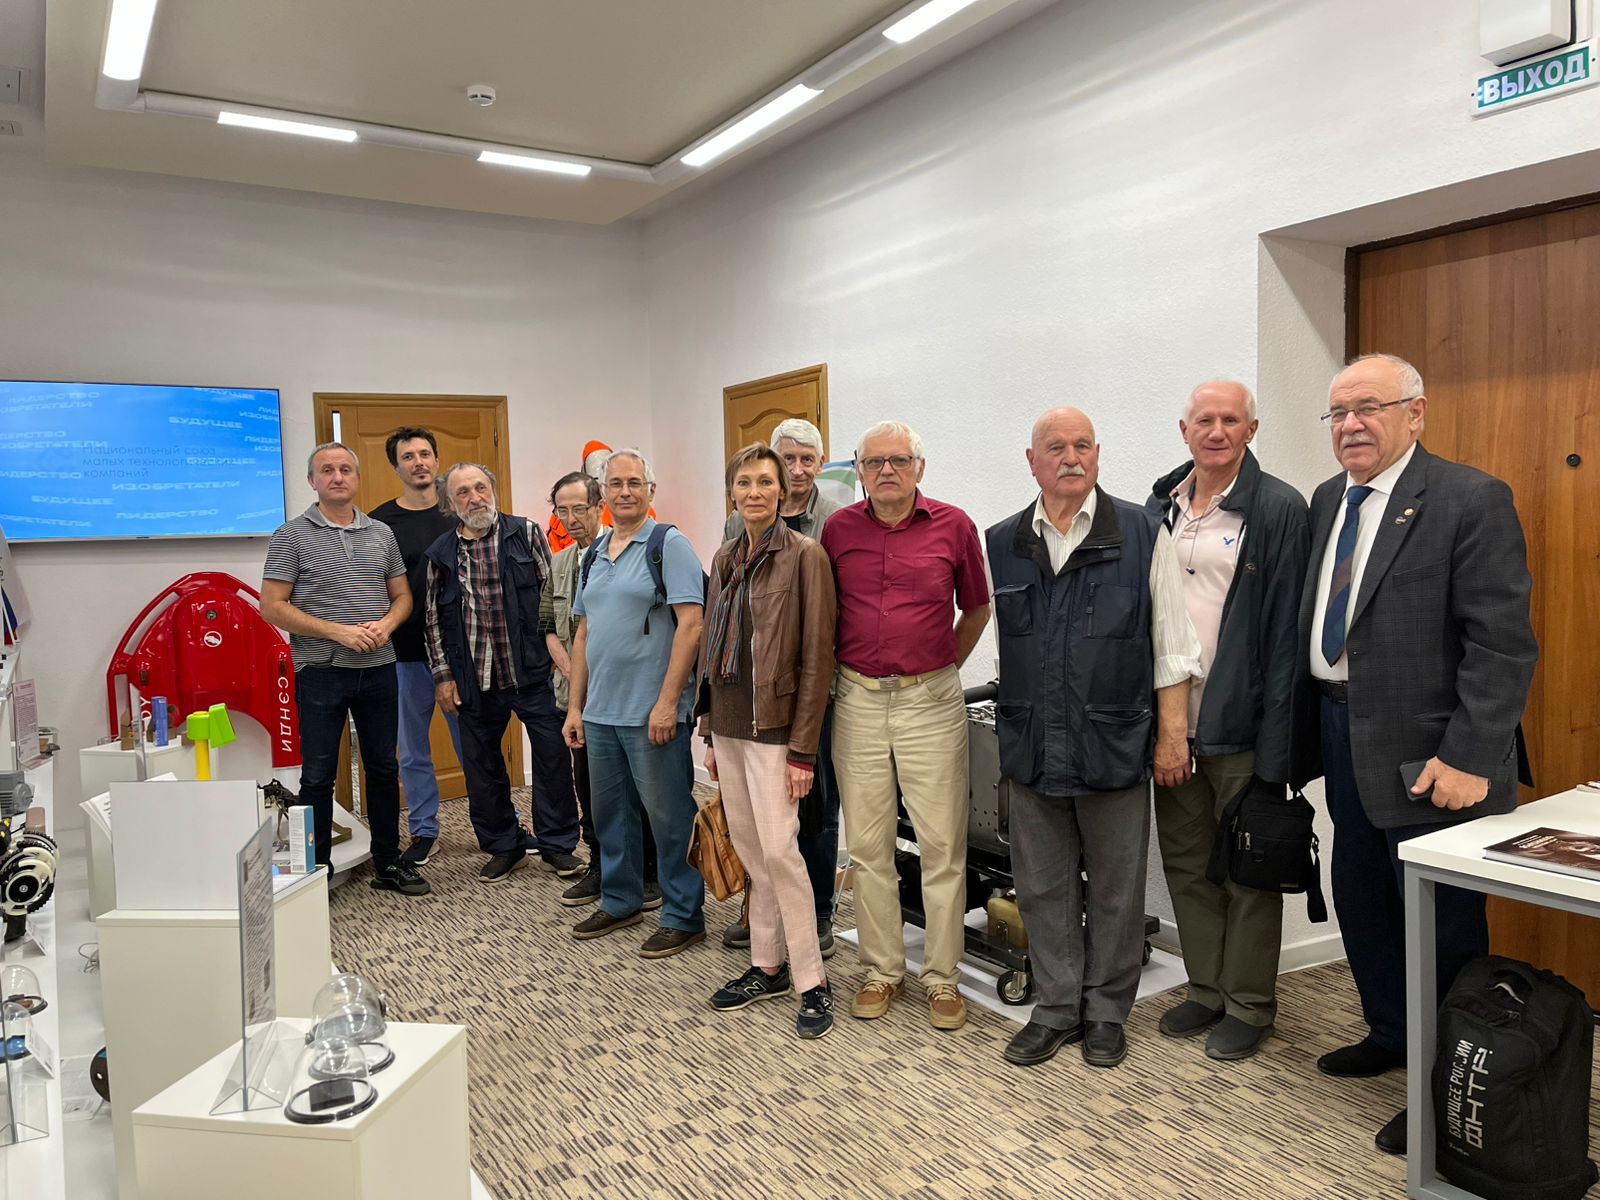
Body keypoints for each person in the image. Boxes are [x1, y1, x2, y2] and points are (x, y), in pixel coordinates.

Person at [1298, 353, 1536, 1155]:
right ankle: (1393, 1034)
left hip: (1435, 755)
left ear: (1416, 412)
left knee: (1441, 925)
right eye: (1338, 413)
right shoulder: (1329, 499)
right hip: (1343, 733)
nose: (1351, 425)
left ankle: (1447, 1087)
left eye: (1368, 407)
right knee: (1364, 897)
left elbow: (1501, 645)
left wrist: (1470, 755)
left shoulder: (1470, 498)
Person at [986, 407, 1203, 1070]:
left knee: (1115, 888)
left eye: (1082, 445)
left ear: (1098, 455)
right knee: (1042, 885)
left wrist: (1173, 737)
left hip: (1114, 742)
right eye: (1056, 447)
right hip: (1033, 744)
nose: (1070, 457)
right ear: (1032, 462)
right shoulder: (1003, 541)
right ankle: (1055, 1007)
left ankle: (1107, 1010)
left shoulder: (1141, 532)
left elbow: (1173, 646)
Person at [1145, 382, 1310, 1061]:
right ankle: (1206, 988)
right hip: (1171, 722)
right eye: (1204, 420)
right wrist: (1161, 726)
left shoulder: (1278, 509)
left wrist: (1278, 745)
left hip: (1242, 722)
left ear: (1251, 430)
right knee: (1187, 864)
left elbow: (1287, 637)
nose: (1217, 431)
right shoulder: (1161, 504)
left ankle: (1248, 1003)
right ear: (1184, 429)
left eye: (1231, 420)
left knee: (1248, 868)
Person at [821, 421, 990, 1031]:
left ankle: (942, 978)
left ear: (920, 466)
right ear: (860, 471)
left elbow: (977, 608)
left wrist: (939, 668)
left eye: (898, 460)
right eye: (874, 462)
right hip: (858, 701)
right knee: (869, 848)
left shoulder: (955, 525)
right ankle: (881, 970)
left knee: (942, 846)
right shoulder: (838, 530)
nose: (886, 470)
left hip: (930, 702)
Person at [699, 444, 838, 1038]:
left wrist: (803, 750)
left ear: (783, 491)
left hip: (778, 729)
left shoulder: (806, 555)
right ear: (732, 492)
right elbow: (712, 647)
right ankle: (767, 965)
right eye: (744, 482)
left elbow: (818, 658)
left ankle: (812, 979)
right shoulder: (726, 555)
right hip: (731, 725)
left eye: (764, 482)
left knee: (781, 852)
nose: (754, 492)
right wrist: (709, 727)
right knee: (753, 852)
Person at [261, 442, 428, 895]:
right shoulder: (290, 536)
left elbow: (402, 596)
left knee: (383, 769)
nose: (337, 477)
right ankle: (315, 871)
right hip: (320, 671)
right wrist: (338, 632)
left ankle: (388, 863)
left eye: (346, 469)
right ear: (312, 481)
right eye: (327, 470)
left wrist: (386, 626)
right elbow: (272, 606)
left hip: (379, 669)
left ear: (357, 477)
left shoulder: (381, 534)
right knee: (317, 776)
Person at [561, 450, 707, 957]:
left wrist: (668, 703)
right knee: (612, 817)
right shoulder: (595, 553)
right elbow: (584, 633)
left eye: (635, 483)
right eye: (616, 483)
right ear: (603, 493)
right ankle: (621, 900)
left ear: (651, 490)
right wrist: (576, 707)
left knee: (669, 819)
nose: (625, 491)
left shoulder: (669, 545)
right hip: (600, 713)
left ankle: (684, 915)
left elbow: (692, 625)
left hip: (652, 714)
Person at [422, 463, 584, 884]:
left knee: (552, 759)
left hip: (533, 672)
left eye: (480, 487)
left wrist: (564, 661)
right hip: (473, 679)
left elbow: (552, 599)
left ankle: (557, 845)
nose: (475, 498)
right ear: (450, 503)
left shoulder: (526, 533)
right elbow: (432, 620)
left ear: (493, 490)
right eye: (463, 492)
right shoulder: (441, 554)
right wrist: (443, 676)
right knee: (482, 769)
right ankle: (503, 845)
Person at [719, 418, 844, 957]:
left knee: (808, 815)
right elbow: (727, 625)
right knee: (759, 832)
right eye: (785, 459)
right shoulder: (732, 537)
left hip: (805, 699)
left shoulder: (827, 528)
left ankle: (817, 918)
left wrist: (804, 736)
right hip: (747, 704)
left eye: (804, 460)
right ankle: (764, 929)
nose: (795, 470)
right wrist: (711, 722)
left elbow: (822, 635)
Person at [541, 470, 661, 909]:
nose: (572, 519)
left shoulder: (629, 551)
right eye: (563, 511)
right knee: (591, 790)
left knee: (642, 790)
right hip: (579, 698)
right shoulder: (559, 563)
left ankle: (649, 872)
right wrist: (573, 671)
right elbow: (548, 625)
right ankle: (601, 866)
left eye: (580, 508)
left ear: (599, 506)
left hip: (628, 694)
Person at [370, 427, 464, 867]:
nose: (419, 462)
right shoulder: (380, 523)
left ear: (436, 460)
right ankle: (425, 830)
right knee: (412, 751)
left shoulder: (459, 512)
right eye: (408, 456)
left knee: (475, 746)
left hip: (461, 655)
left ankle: (499, 825)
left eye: (425, 454)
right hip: (404, 654)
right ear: (396, 467)